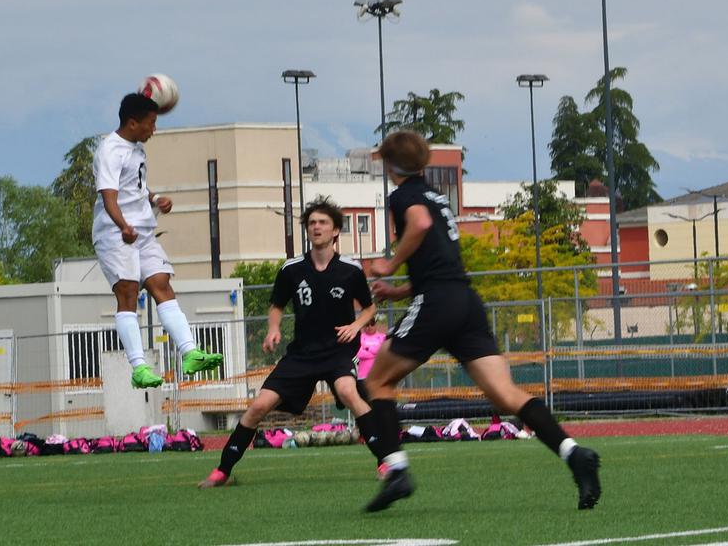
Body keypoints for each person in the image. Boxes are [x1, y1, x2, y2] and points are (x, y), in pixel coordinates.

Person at [363, 131, 601, 512]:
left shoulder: (404, 196)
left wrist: (390, 265)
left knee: (377, 380)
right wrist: (400, 291)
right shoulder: (437, 197)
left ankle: (396, 471)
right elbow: (438, 261)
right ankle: (574, 454)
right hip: (464, 301)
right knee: (505, 395)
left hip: (437, 302)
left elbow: (420, 225)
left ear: (390, 166)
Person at [199, 197, 382, 488]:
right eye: (311, 223)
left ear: (335, 230)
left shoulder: (351, 269)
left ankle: (384, 461)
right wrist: (273, 329)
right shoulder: (292, 269)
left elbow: (370, 308)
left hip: (338, 351)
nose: (316, 227)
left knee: (349, 392)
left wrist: (356, 325)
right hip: (302, 354)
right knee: (259, 405)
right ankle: (222, 470)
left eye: (323, 222)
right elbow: (277, 305)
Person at [93, 93, 222, 389]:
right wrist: (123, 225)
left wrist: (155, 198)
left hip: (143, 230)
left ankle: (190, 352)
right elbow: (109, 196)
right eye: (151, 123)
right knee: (128, 295)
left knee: (161, 282)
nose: (154, 129)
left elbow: (134, 187)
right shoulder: (110, 150)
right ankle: (139, 368)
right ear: (132, 122)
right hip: (115, 234)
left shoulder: (137, 148)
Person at [355, 317, 386, 399]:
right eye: (367, 325)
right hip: (363, 376)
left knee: (379, 401)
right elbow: (359, 353)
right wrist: (375, 353)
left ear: (375, 325)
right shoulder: (359, 338)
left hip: (379, 376)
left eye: (372, 324)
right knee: (366, 403)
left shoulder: (382, 337)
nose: (369, 327)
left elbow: (383, 351)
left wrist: (367, 348)